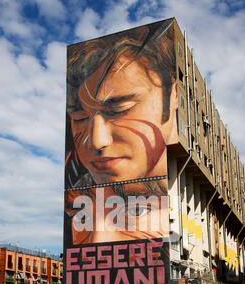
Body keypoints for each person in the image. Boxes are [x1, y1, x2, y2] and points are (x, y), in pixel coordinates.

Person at [66, 19, 178, 188]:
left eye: (119, 109)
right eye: (79, 118)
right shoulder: (79, 200)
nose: (98, 141)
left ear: (174, 94)